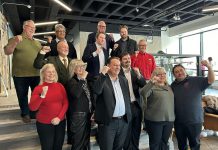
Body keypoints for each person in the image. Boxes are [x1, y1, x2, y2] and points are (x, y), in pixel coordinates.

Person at [4, 20, 44, 123]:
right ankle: (25, 113)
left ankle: (33, 112)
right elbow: (7, 51)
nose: (32, 29)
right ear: (24, 27)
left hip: (35, 73)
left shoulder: (37, 43)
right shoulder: (15, 38)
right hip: (20, 74)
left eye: (34, 28)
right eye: (30, 27)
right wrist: (15, 42)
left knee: (36, 95)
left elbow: (40, 58)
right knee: (22, 95)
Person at [34, 40, 72, 144]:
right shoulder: (51, 59)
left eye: (67, 47)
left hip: (71, 98)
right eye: (63, 47)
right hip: (56, 96)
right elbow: (37, 64)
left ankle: (70, 140)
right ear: (58, 49)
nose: (66, 48)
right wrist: (42, 52)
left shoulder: (72, 61)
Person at [171, 60, 215, 150]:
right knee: (181, 145)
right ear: (174, 75)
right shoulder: (173, 86)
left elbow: (211, 80)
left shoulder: (196, 80)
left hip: (194, 121)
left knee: (195, 145)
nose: (179, 73)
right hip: (178, 122)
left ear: (185, 70)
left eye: (181, 70)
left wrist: (209, 67)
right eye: (176, 72)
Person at [93, 57, 132, 150]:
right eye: (115, 65)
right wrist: (102, 74)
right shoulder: (101, 79)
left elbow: (126, 98)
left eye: (119, 65)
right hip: (108, 123)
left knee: (118, 148)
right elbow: (97, 90)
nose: (118, 67)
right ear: (108, 66)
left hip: (123, 121)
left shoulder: (123, 80)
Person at [29, 63, 69, 150]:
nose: (51, 74)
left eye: (53, 72)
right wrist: (42, 95)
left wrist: (59, 117)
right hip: (44, 124)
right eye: (48, 72)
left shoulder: (60, 86)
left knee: (58, 147)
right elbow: (32, 107)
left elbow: (65, 103)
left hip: (60, 122)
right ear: (43, 74)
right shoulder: (38, 88)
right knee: (47, 147)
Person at [140, 67, 175, 150]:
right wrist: (151, 82)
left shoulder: (169, 87)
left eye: (164, 73)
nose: (162, 76)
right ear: (154, 76)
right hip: (154, 120)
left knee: (165, 142)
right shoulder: (151, 86)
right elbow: (143, 93)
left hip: (169, 120)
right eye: (159, 74)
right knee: (155, 143)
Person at [119, 52, 146, 150]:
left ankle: (135, 147)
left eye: (129, 59)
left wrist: (139, 74)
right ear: (121, 60)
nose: (128, 60)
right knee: (126, 130)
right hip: (125, 106)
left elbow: (143, 84)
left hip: (136, 105)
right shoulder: (118, 72)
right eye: (125, 59)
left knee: (136, 129)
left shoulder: (135, 71)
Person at [66, 59, 94, 150]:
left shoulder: (85, 80)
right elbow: (76, 94)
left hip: (87, 113)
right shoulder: (72, 82)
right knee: (78, 142)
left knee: (86, 140)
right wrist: (82, 79)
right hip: (78, 115)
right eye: (79, 66)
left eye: (83, 66)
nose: (82, 68)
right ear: (73, 69)